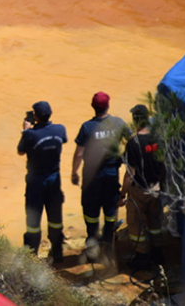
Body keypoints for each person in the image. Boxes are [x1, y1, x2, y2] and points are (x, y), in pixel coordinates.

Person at [70, 92, 131, 261]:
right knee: (110, 210)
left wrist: (74, 172)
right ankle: (108, 247)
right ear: (108, 105)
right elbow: (133, 142)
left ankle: (92, 247)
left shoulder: (87, 127)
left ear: (93, 106)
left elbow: (79, 153)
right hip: (111, 174)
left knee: (91, 211)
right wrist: (125, 159)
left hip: (91, 176)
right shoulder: (118, 123)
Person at [17, 101, 68, 264]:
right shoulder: (60, 129)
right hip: (54, 180)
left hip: (35, 182)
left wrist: (25, 131)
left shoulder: (30, 135)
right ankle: (57, 252)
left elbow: (20, 151)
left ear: (36, 117)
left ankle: (31, 257)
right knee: (55, 217)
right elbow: (62, 140)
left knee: (33, 221)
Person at [119, 104, 165, 271]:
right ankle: (158, 253)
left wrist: (122, 194)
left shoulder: (134, 143)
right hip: (156, 188)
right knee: (155, 222)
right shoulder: (158, 138)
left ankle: (142, 256)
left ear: (135, 121)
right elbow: (164, 165)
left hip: (139, 190)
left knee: (136, 224)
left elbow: (130, 173)